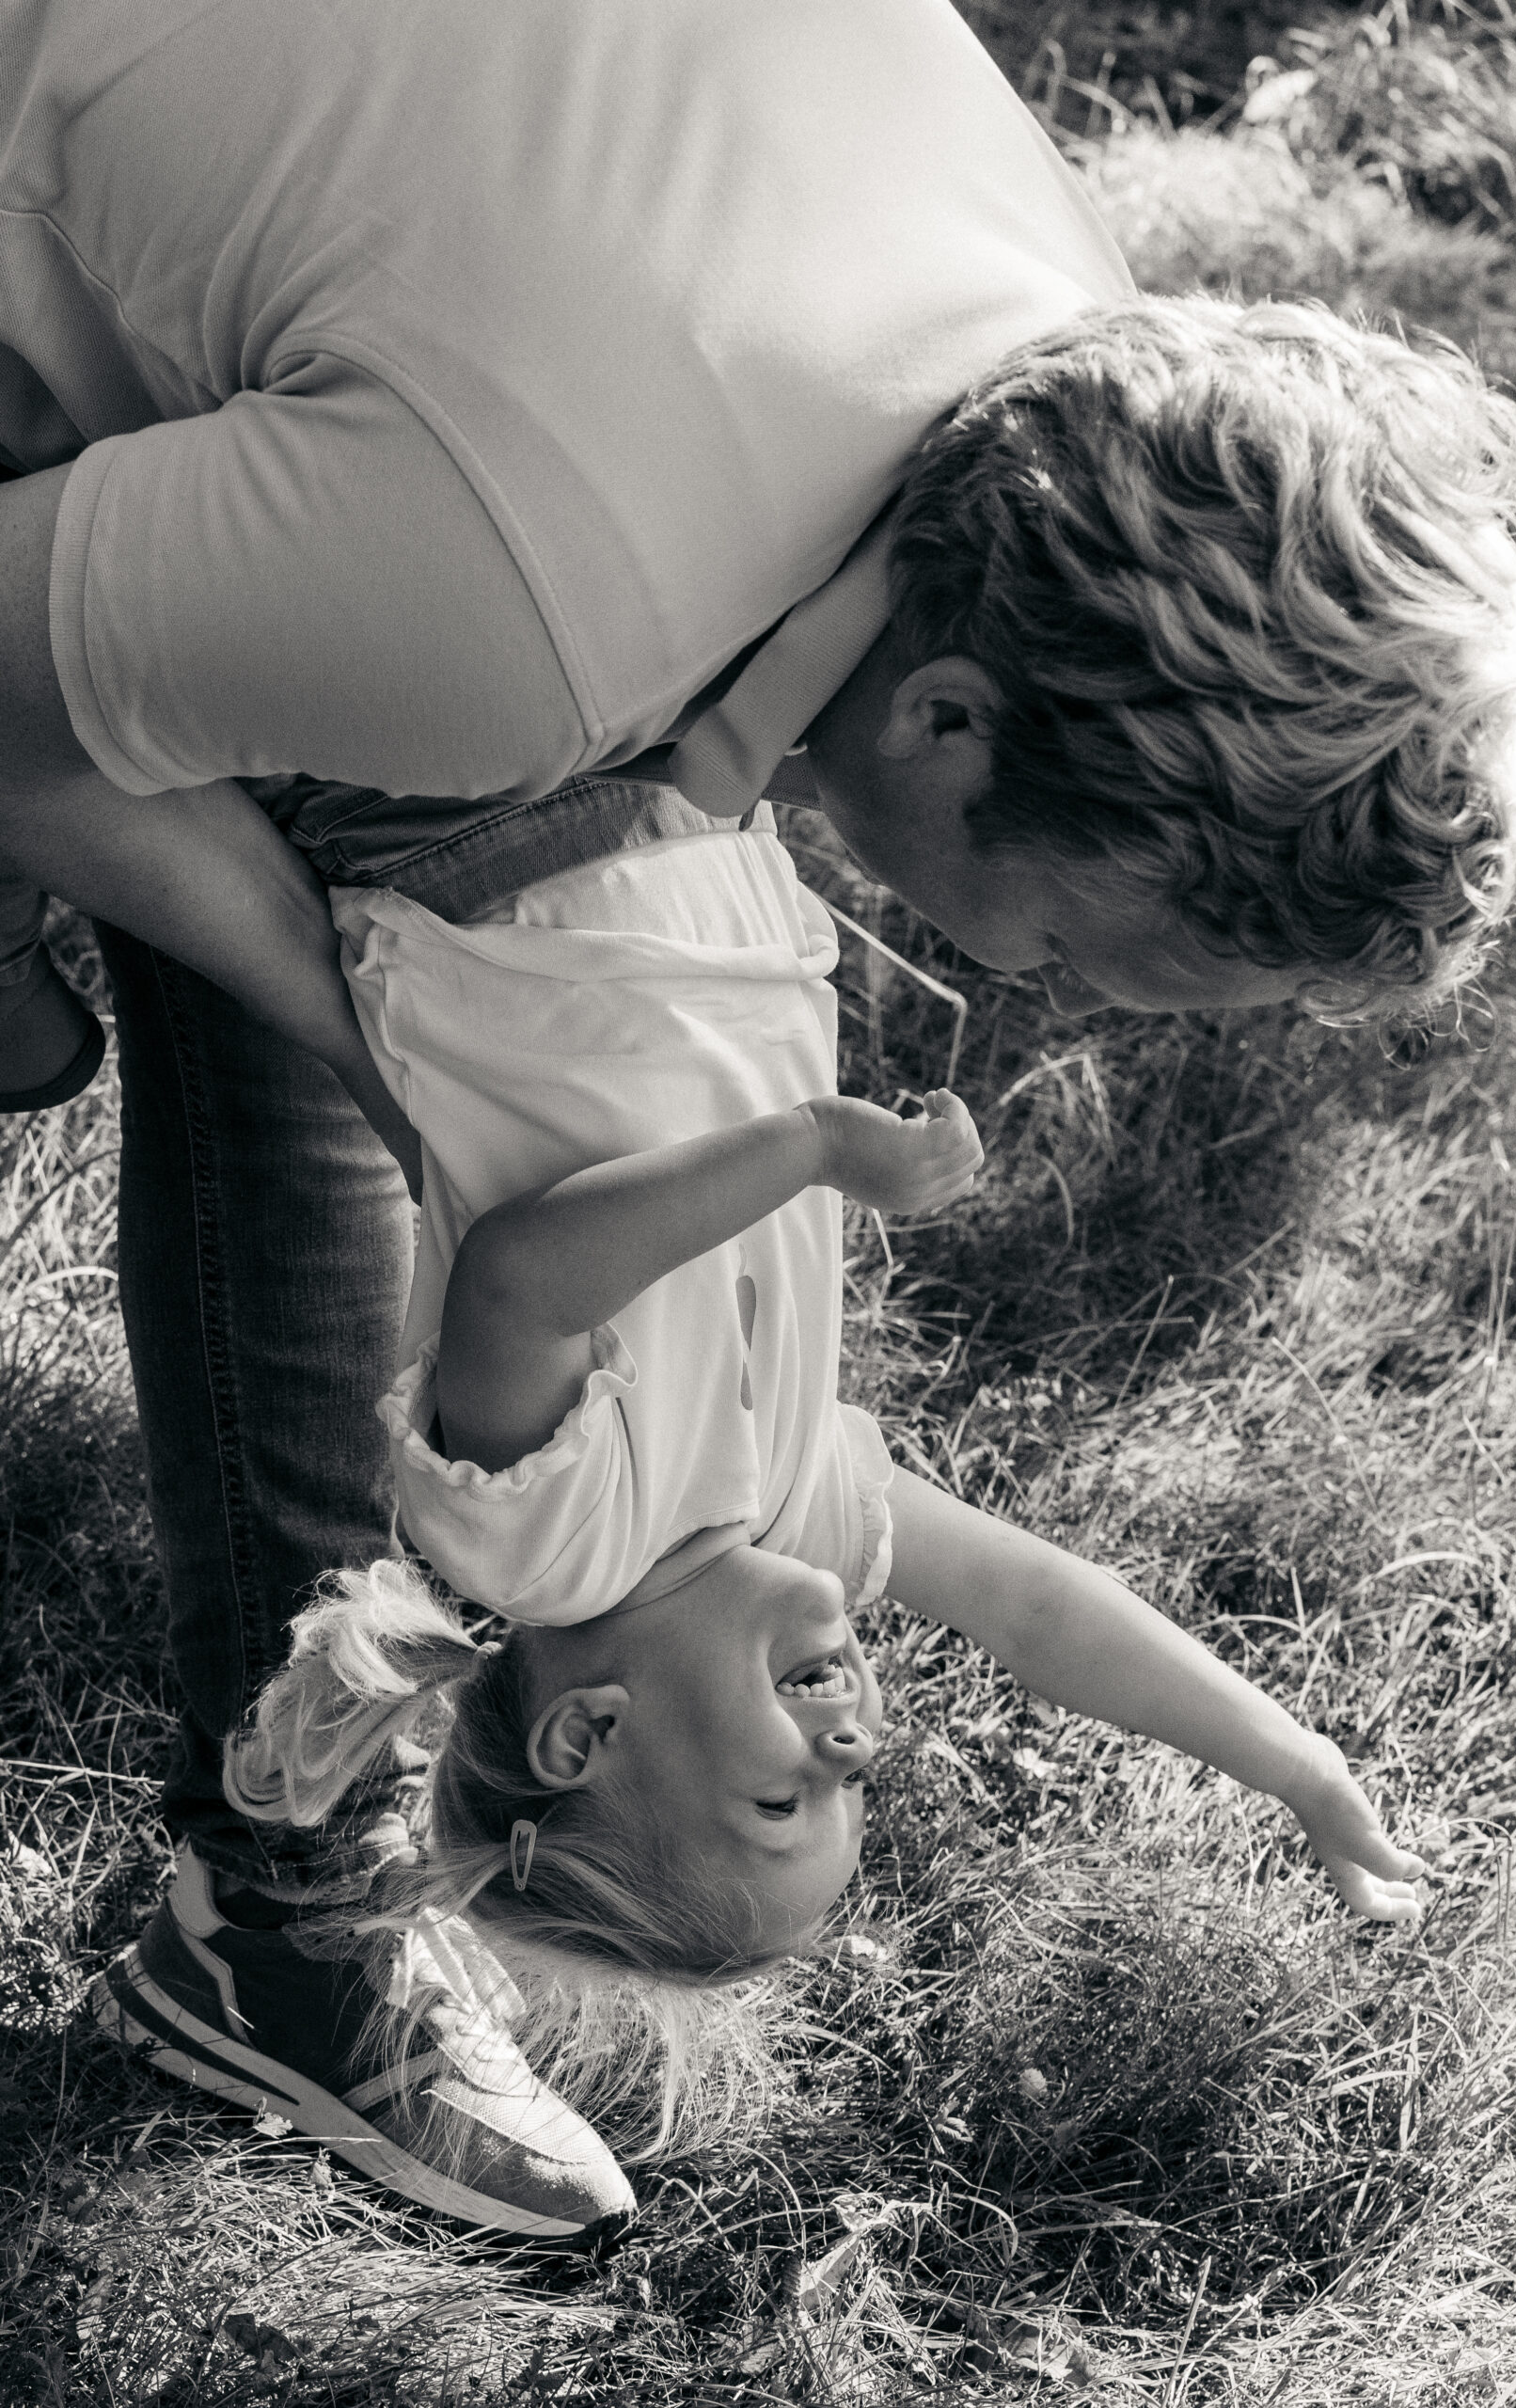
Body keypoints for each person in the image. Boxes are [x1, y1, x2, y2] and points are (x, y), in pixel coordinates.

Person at [0, 0, 1516, 2238]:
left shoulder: (1040, 375)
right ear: (942, 705)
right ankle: (282, 1921)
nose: (1055, 1004)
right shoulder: (532, 626)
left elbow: (1022, 1594)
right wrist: (369, 1031)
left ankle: (278, 1906)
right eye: (1083, 952)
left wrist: (396, 1040)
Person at [95, 802, 1422, 2224]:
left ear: (586, 1733)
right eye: (854, 1782)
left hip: (485, 873)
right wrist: (1292, 1763)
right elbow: (1037, 1612)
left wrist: (805, 1152)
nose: (855, 1738)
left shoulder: (543, 1543)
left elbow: (520, 1284)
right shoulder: (789, 1517)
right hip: (685, 850)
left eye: (786, 1793)